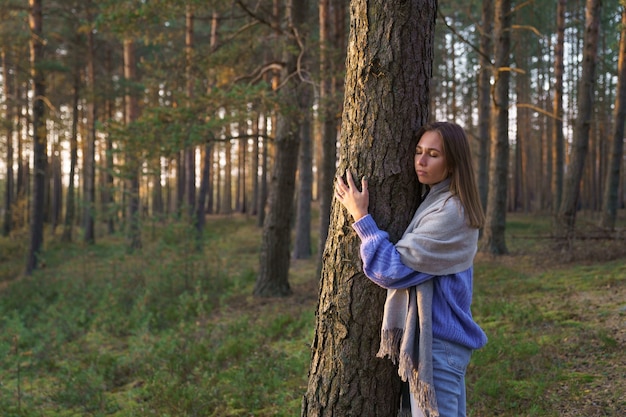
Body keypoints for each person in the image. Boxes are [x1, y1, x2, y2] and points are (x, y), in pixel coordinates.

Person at [335, 121, 487, 417]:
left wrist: (361, 217)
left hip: (439, 348)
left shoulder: (451, 212)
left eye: (433, 154)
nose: (421, 160)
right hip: (431, 343)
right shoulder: (434, 200)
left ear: (453, 163)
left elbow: (392, 269)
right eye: (418, 151)